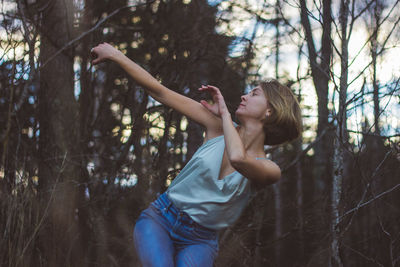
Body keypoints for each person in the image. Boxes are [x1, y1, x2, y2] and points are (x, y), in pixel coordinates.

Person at [91, 42, 302, 267]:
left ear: (269, 111)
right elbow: (160, 91)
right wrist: (116, 55)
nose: (244, 96)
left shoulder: (270, 170)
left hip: (200, 240)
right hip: (160, 219)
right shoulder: (217, 127)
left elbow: (238, 158)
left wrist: (223, 114)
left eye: (254, 94)